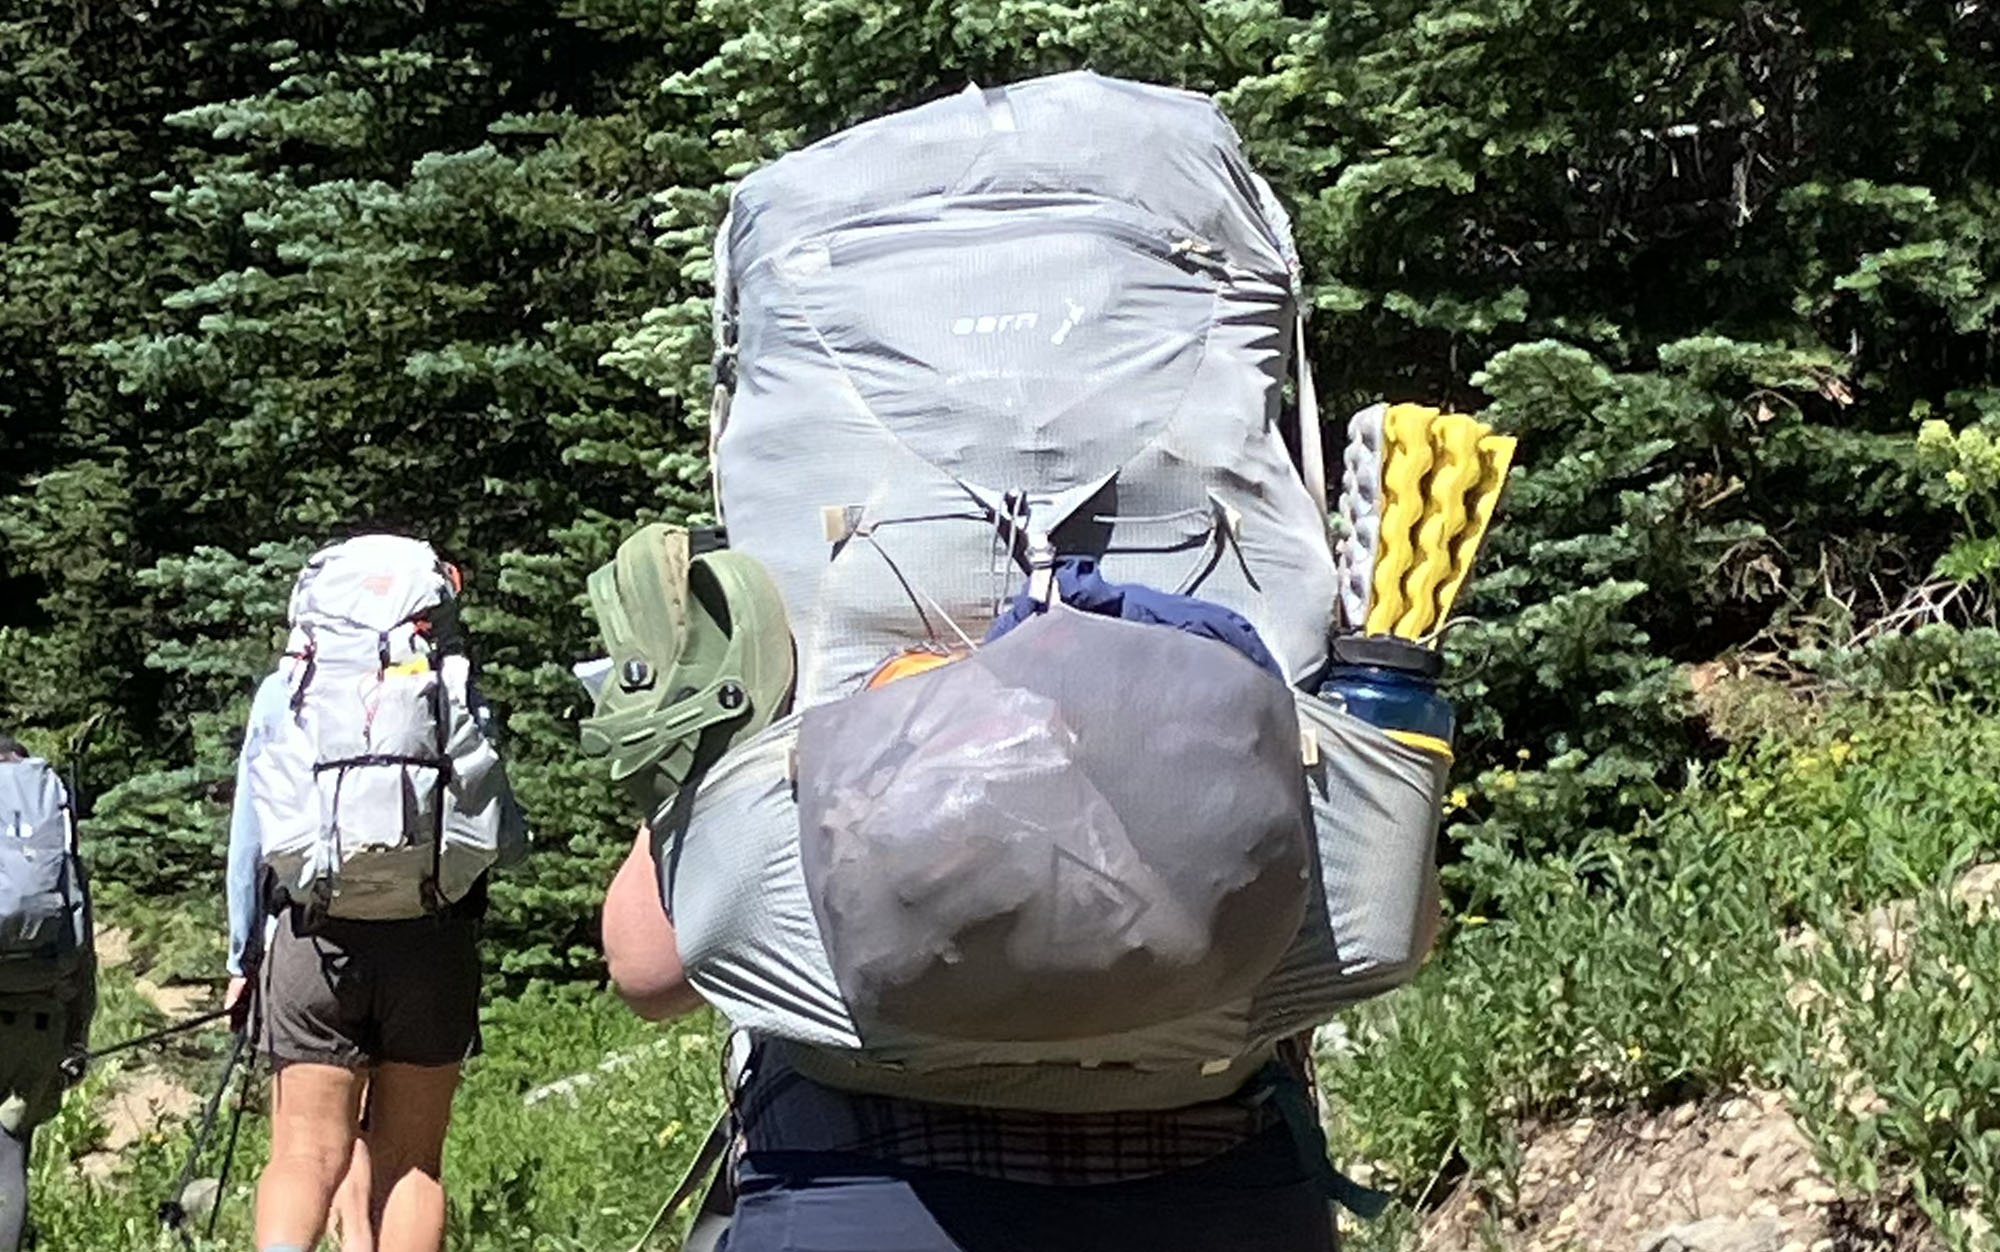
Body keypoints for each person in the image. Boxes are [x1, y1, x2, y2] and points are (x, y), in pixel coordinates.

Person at [602, 826, 1338, 1252]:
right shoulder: (1253, 589)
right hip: (1221, 1182)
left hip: (860, 1183)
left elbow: (652, 970)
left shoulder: (804, 605)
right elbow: (1377, 923)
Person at [225, 535, 526, 1252]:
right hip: (430, 936)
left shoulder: (286, 690)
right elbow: (496, 827)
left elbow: (250, 839)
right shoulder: (451, 686)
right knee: (412, 1162)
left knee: (303, 1154)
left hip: (314, 934)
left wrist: (244, 955)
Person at [0, 734, 95, 1252]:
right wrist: (76, 1036)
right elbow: (83, 941)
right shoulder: (44, 816)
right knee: (7, 1153)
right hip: (40, 1013)